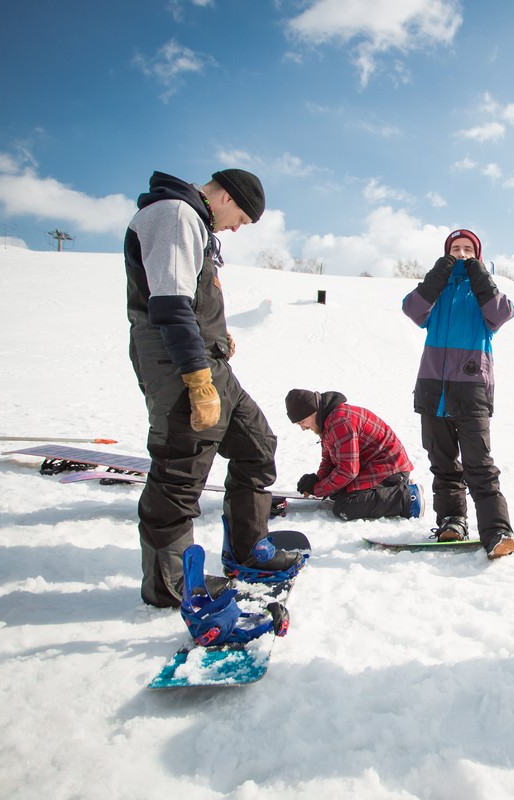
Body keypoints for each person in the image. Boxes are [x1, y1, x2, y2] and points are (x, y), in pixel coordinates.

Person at [124, 168, 302, 608]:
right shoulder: (175, 214)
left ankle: (247, 546)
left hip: (207, 360)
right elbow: (168, 304)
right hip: (180, 366)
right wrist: (197, 374)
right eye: (241, 216)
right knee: (180, 469)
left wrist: (217, 339)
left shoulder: (194, 223)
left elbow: (190, 299)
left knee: (256, 443)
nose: (239, 227)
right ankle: (169, 584)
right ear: (224, 196)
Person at [402, 229, 514, 559]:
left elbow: (500, 314)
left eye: (469, 249)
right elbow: (412, 309)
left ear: (479, 256)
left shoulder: (483, 293)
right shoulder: (436, 292)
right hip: (432, 389)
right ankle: (452, 520)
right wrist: (439, 273)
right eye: (456, 248)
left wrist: (479, 274)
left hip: (471, 391)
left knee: (479, 464)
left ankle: (497, 531)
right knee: (442, 463)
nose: (463, 253)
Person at [284, 388, 422, 520]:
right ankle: (391, 490)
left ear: (313, 411)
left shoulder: (340, 421)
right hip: (373, 468)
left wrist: (318, 489)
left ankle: (407, 497)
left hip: (390, 469)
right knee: (335, 492)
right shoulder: (328, 420)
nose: (303, 428)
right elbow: (329, 459)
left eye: (302, 422)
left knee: (345, 506)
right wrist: (316, 480)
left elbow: (348, 471)